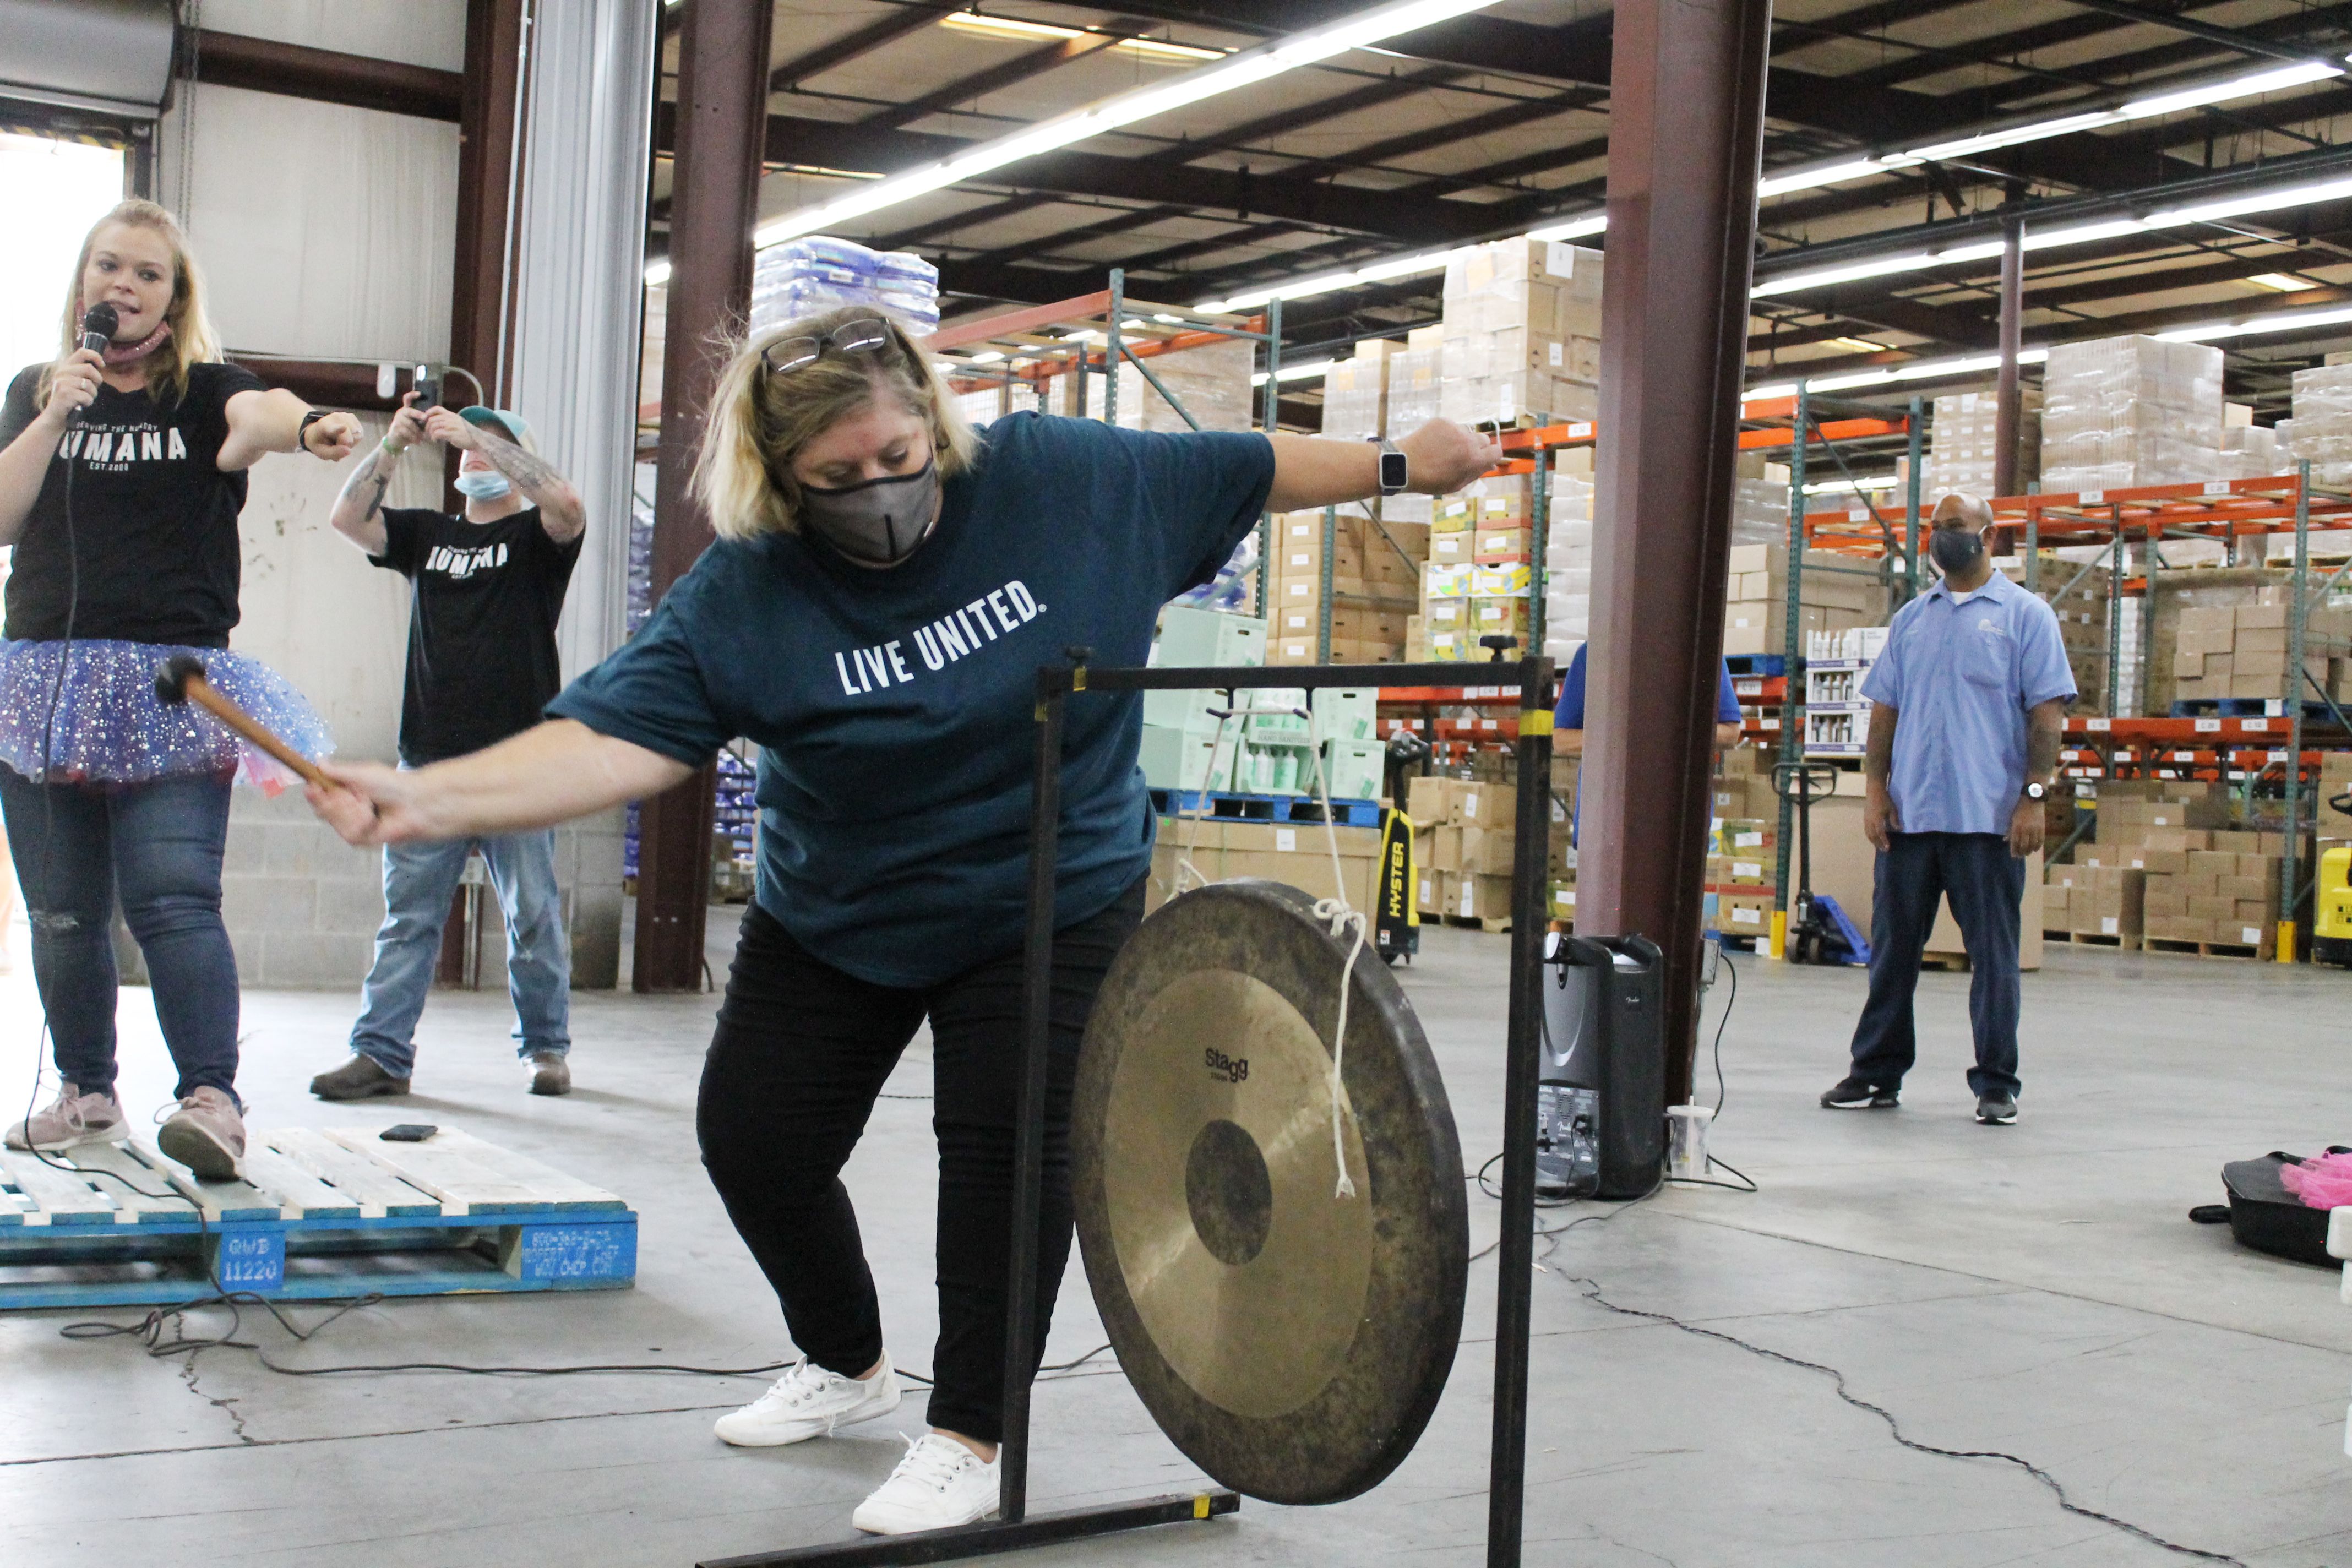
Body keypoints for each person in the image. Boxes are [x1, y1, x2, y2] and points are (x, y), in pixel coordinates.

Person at [305, 307, 1497, 1537]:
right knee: (753, 1136)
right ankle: (848, 1363)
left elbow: (1248, 466)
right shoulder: (750, 590)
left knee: (1002, 1160)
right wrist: (427, 794)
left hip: (1049, 885)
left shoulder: (1064, 479)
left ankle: (971, 1434)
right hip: (844, 898)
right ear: (780, 478)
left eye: (896, 458)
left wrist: (1406, 463)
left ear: (933, 419)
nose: (877, 491)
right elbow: (610, 737)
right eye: (836, 478)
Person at [0, 200, 359, 1178]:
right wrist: (54, 413)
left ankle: (211, 1097)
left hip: (168, 685)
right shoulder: (38, 386)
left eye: (148, 273)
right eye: (108, 266)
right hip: (49, 679)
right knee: (65, 912)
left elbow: (261, 415)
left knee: (172, 899)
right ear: (82, 282)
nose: (124, 284)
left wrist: (313, 423)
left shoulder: (204, 392)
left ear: (175, 295)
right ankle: (85, 1090)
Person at [308, 398, 585, 1102]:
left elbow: (566, 501)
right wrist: (393, 448)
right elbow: (348, 519)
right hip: (429, 759)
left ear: (518, 456)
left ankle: (547, 1048)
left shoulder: (535, 538)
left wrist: (485, 438)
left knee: (533, 914)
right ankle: (381, 1054)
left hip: (521, 763)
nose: (474, 451)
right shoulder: (428, 535)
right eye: (467, 443)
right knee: (409, 918)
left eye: (494, 443)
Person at [1821, 492, 2073, 1126]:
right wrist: (1875, 789)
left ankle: (1996, 1082)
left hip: (1986, 821)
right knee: (1892, 954)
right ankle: (1876, 1072)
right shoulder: (1913, 618)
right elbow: (1886, 710)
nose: (1941, 537)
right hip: (1912, 818)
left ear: (1990, 536)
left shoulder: (2026, 616)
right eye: (1935, 528)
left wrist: (2034, 797)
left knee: (1993, 960)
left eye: (1954, 527)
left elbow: (2047, 716)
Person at [1551, 641, 1744, 842]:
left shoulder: (1703, 649)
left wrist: (1670, 732)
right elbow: (1562, 740)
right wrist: (1622, 738)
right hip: (1606, 820)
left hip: (1678, 821)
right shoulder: (1594, 652)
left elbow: (1730, 734)